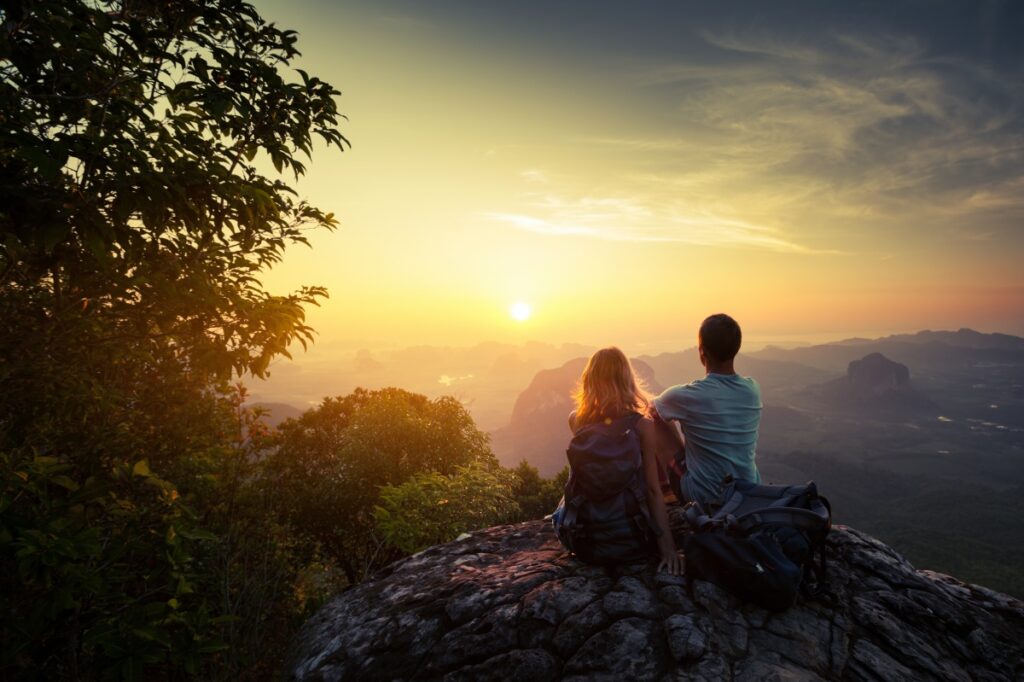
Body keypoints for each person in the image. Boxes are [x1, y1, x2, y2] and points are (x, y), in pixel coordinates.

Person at [567, 347, 685, 575]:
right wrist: (668, 549)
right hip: (631, 527)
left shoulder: (576, 420)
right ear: (626, 379)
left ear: (590, 380)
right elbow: (652, 490)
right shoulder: (643, 424)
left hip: (588, 534)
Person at [650, 314, 762, 508]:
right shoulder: (752, 389)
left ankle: (663, 492)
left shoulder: (687, 396)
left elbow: (652, 409)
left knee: (654, 420)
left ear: (702, 352)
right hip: (748, 492)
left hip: (704, 496)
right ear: (736, 349)